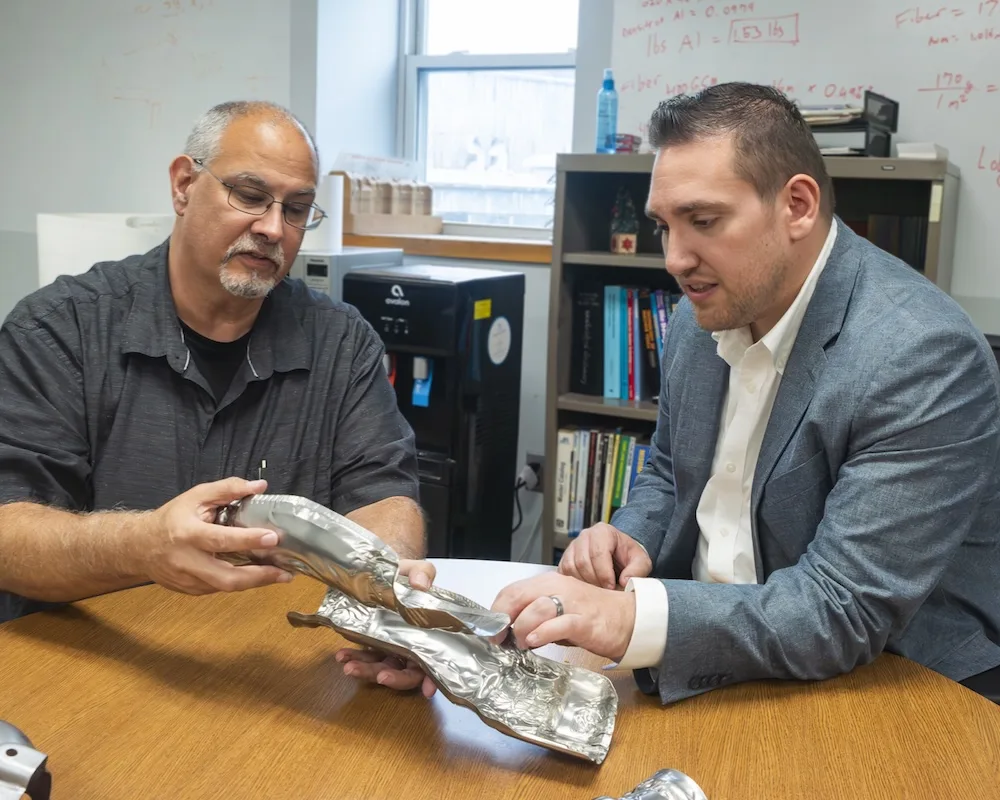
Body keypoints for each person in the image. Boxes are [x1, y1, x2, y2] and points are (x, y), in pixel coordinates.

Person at [492, 82, 1000, 704]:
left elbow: (842, 609)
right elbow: (670, 472)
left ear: (798, 206)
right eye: (664, 226)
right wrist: (632, 540)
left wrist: (631, 619)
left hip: (889, 683)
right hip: (712, 652)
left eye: (703, 221)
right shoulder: (700, 312)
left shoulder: (921, 356)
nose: (676, 259)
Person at [0, 100, 435, 695]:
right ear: (183, 185)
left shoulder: (342, 342)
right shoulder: (59, 331)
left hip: (269, 679)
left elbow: (384, 493)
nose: (273, 228)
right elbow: (8, 535)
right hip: (92, 671)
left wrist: (386, 590)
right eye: (250, 196)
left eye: (297, 209)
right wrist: (143, 545)